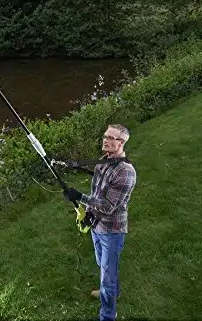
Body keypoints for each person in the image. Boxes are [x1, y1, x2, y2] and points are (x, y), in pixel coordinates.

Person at [63, 124, 137, 321]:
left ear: (121, 143)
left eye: (112, 138)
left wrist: (80, 196)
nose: (106, 140)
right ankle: (113, 291)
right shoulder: (103, 161)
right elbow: (97, 192)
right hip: (96, 224)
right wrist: (86, 210)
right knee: (102, 264)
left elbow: (108, 206)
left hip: (112, 229)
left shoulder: (126, 172)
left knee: (107, 275)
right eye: (105, 136)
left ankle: (107, 315)